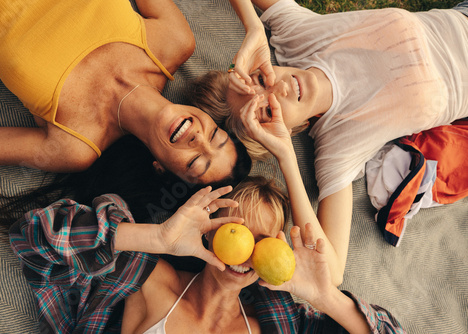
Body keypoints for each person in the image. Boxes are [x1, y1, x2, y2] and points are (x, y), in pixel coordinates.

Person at [188, 0, 468, 280]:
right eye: (266, 109)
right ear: (278, 130)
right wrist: (286, 156)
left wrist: (253, 28)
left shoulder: (296, 36)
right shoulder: (338, 147)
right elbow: (332, 272)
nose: (281, 86)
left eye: (260, 79)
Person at [9, 179, 404, 333]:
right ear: (208, 231)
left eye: (261, 239)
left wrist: (325, 297)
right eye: (235, 228)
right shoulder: (146, 281)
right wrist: (159, 238)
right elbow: (33, 239)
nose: (244, 248)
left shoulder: (286, 325)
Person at [0, 0, 267, 185]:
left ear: (161, 168)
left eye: (195, 162)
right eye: (215, 136)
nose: (198, 139)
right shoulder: (174, 42)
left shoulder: (76, 146)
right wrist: (254, 26)